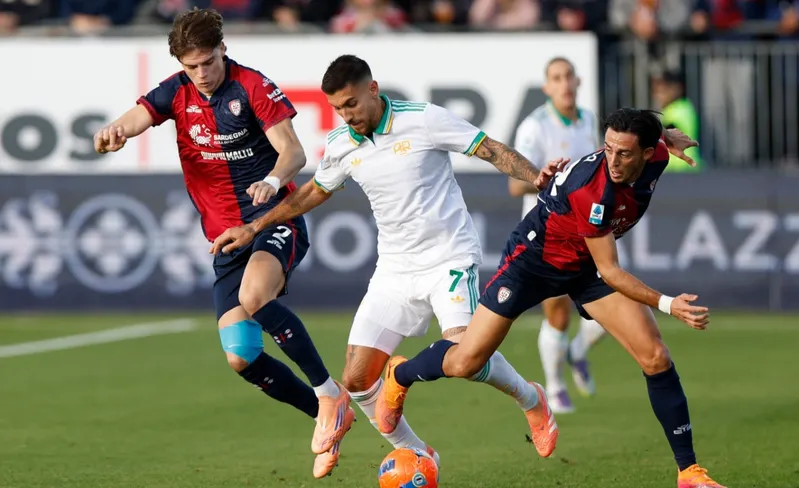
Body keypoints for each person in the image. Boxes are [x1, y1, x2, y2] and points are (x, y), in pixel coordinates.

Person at [210, 54, 565, 463]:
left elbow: (489, 149)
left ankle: (531, 399)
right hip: (394, 270)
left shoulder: (423, 119)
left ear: (373, 90)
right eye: (338, 108)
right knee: (357, 379)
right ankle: (415, 454)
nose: (347, 115)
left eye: (351, 103)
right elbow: (315, 191)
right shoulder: (342, 144)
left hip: (448, 258)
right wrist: (254, 227)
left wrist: (535, 177)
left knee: (466, 358)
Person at [376, 108, 727, 488]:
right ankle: (401, 373)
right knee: (465, 361)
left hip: (585, 266)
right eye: (608, 148)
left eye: (624, 153)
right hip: (532, 262)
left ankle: (689, 472)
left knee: (655, 356)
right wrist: (667, 303)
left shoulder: (655, 153)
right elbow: (611, 271)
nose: (612, 160)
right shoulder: (594, 190)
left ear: (646, 152)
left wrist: (667, 136)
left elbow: (654, 134)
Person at [91, 8, 353, 478]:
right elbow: (138, 116)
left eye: (208, 62)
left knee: (255, 296)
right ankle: (326, 416)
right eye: (191, 66)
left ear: (223, 49)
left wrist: (272, 181)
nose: (202, 73)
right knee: (241, 356)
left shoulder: (252, 86)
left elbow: (293, 151)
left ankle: (328, 392)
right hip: (225, 239)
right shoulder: (177, 91)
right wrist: (115, 131)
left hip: (273, 218)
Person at [510, 56, 605, 411]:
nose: (564, 83)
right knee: (559, 314)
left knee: (611, 307)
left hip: (588, 227)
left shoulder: (588, 120)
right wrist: (555, 182)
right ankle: (554, 388)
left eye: (568, 76)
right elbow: (515, 185)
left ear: (578, 82)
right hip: (548, 230)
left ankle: (578, 351)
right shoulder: (534, 127)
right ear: (547, 87)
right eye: (556, 78)